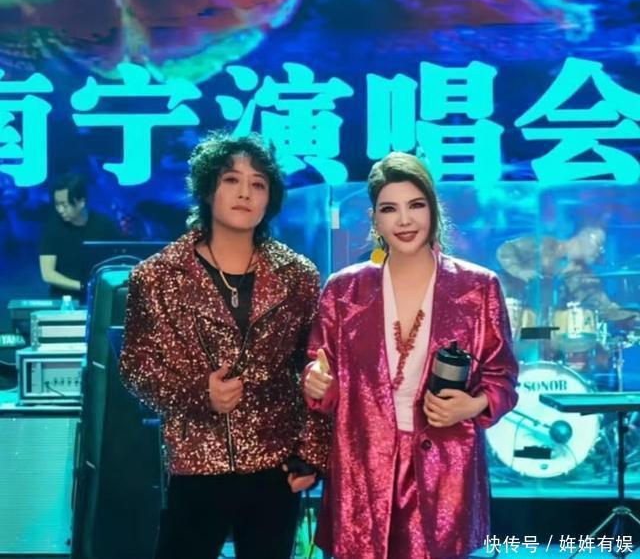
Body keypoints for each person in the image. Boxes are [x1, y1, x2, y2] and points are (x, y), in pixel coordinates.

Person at [119, 131, 330, 559]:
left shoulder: (298, 276)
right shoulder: (157, 276)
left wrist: (312, 453)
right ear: (207, 189)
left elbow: (314, 365)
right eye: (231, 180)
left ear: (270, 198)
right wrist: (199, 393)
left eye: (258, 184)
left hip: (275, 463)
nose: (245, 193)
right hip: (197, 459)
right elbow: (135, 366)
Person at [303, 152, 519, 559]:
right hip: (363, 468)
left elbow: (503, 377)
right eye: (390, 209)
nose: (404, 220)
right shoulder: (344, 290)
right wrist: (316, 381)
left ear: (433, 210)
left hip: (446, 470)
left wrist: (472, 405)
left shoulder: (478, 287)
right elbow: (322, 372)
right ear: (375, 219)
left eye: (415, 205)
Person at [497, 227, 638, 324]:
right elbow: (506, 250)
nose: (600, 252)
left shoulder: (582, 274)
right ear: (583, 237)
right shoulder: (546, 245)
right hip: (508, 313)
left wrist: (631, 315)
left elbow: (603, 306)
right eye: (598, 244)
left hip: (542, 327)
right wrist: (519, 271)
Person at [39, 173, 121, 301]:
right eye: (57, 205)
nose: (60, 210)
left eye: (65, 205)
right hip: (64, 299)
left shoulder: (104, 224)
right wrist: (83, 286)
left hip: (100, 297)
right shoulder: (53, 228)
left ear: (81, 202)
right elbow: (47, 274)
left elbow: (118, 260)